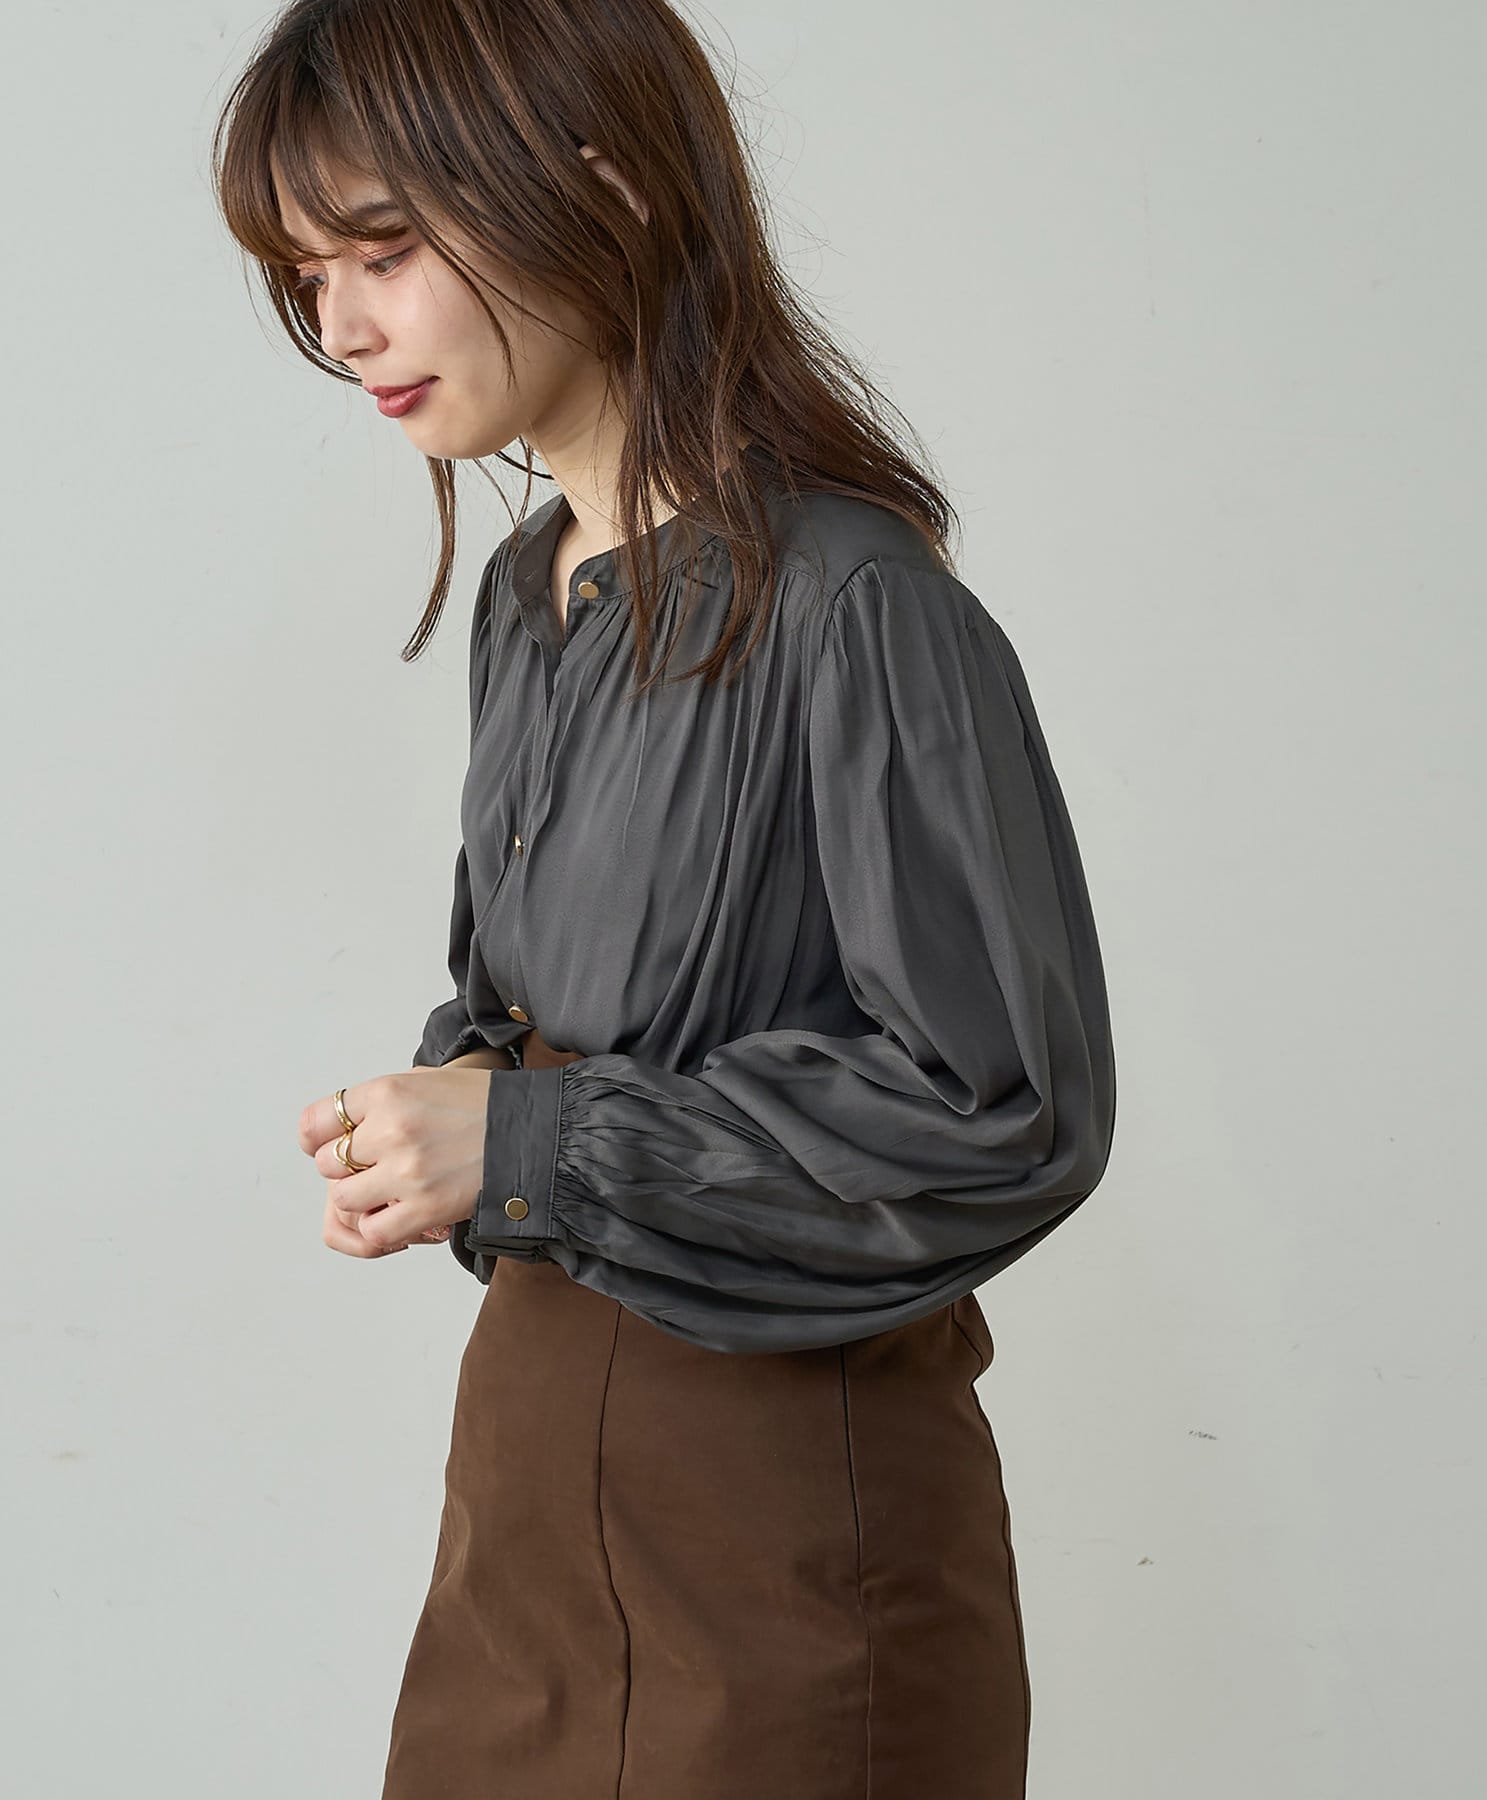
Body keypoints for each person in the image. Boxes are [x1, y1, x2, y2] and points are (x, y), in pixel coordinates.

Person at [213, 2, 1116, 1794]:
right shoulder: (533, 597)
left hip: (783, 1560)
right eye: (309, 275)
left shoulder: (853, 606)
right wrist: (448, 1109)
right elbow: (534, 1015)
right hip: (527, 1511)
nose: (344, 324)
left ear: (603, 187)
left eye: (384, 250)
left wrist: (530, 1141)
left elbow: (1002, 1108)